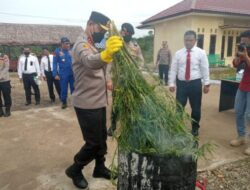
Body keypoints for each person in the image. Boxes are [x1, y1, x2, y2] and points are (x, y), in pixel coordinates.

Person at [65, 11, 123, 189]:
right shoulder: (81, 44)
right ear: (90, 24)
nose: (101, 33)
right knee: (93, 142)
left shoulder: (93, 44)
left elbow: (100, 65)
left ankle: (99, 167)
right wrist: (106, 54)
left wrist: (112, 55)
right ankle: (75, 168)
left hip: (98, 101)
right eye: (99, 28)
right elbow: (90, 62)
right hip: (86, 103)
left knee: (102, 138)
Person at [168, 30, 210, 136]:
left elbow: (205, 69)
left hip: (195, 84)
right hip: (181, 84)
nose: (188, 42)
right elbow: (173, 69)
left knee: (196, 108)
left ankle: (195, 128)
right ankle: (177, 127)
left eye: (191, 40)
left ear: (195, 40)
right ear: (184, 40)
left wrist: (207, 83)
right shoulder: (178, 53)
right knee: (179, 107)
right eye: (186, 40)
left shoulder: (201, 53)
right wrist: (171, 83)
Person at [107, 22, 144, 136]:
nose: (125, 34)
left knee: (130, 103)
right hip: (118, 80)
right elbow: (110, 64)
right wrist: (109, 79)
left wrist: (136, 70)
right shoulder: (117, 45)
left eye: (127, 32)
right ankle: (113, 126)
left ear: (131, 34)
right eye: (123, 32)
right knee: (116, 104)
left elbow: (141, 61)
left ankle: (129, 126)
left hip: (131, 80)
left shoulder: (136, 46)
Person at [230, 30, 250, 156]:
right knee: (238, 111)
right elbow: (236, 65)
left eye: (245, 41)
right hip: (243, 85)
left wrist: (247, 57)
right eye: (241, 41)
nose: (243, 43)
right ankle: (241, 136)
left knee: (249, 115)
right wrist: (238, 56)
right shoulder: (243, 50)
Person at [53, 37, 74, 109]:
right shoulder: (57, 52)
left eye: (69, 44)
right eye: (66, 44)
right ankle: (64, 102)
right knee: (64, 89)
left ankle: (75, 102)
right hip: (63, 74)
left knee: (74, 88)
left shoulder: (71, 51)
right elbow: (54, 63)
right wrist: (55, 74)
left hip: (72, 74)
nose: (68, 45)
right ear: (62, 44)